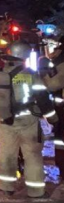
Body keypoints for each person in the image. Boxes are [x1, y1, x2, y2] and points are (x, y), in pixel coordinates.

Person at [0, 40, 57, 198]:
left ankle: (6, 187)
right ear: (25, 56)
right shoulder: (31, 75)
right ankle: (36, 191)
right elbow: (42, 99)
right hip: (28, 121)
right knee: (32, 155)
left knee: (7, 154)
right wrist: (52, 118)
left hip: (6, 122)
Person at [41, 36, 64, 176]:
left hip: (62, 110)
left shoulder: (60, 62)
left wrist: (43, 74)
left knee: (61, 141)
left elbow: (51, 85)